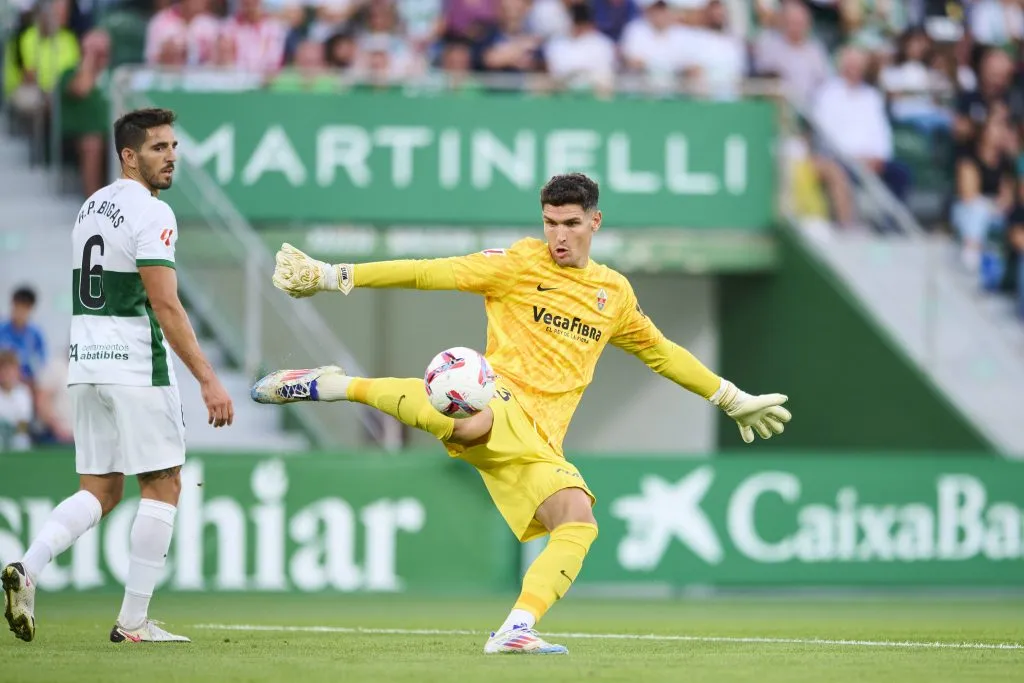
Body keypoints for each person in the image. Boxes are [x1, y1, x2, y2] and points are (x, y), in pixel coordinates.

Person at [251, 173, 792, 655]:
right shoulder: (517, 264)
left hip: (540, 441)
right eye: (550, 222)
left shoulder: (613, 294)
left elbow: (662, 352)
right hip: (500, 398)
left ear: (595, 222)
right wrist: (334, 275)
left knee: (577, 520)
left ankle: (515, 628)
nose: (559, 235)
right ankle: (334, 384)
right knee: (472, 416)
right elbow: (426, 272)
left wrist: (730, 397)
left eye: (571, 223)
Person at [2, 108, 235, 645]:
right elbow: (165, 304)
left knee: (101, 489)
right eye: (158, 148)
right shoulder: (152, 212)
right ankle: (133, 623)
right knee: (164, 482)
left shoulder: (90, 206)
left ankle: (27, 569)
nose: (171, 156)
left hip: (87, 364)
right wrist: (207, 378)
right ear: (129, 156)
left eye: (173, 146)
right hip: (135, 364)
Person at [0, 286, 46, 385]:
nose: (20, 312)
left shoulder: (36, 335)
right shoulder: (2, 329)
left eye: (25, 308)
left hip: (26, 382)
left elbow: (41, 362)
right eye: (18, 306)